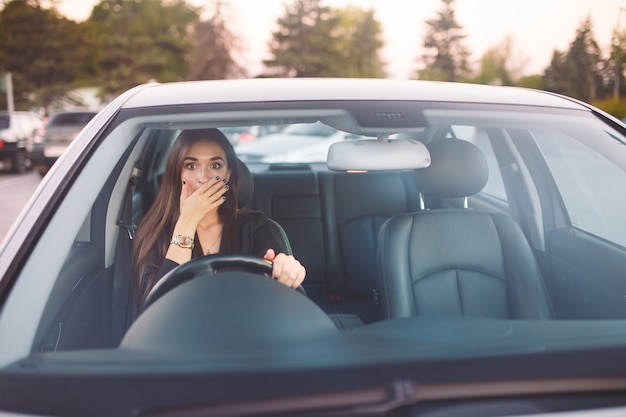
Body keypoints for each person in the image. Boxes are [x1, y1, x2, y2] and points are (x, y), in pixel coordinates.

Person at [131, 128, 306, 316]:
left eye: (215, 166)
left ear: (228, 174)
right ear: (177, 174)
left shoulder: (257, 228)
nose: (203, 177)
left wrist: (288, 269)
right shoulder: (154, 233)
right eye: (191, 166)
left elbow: (284, 298)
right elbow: (157, 314)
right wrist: (187, 222)